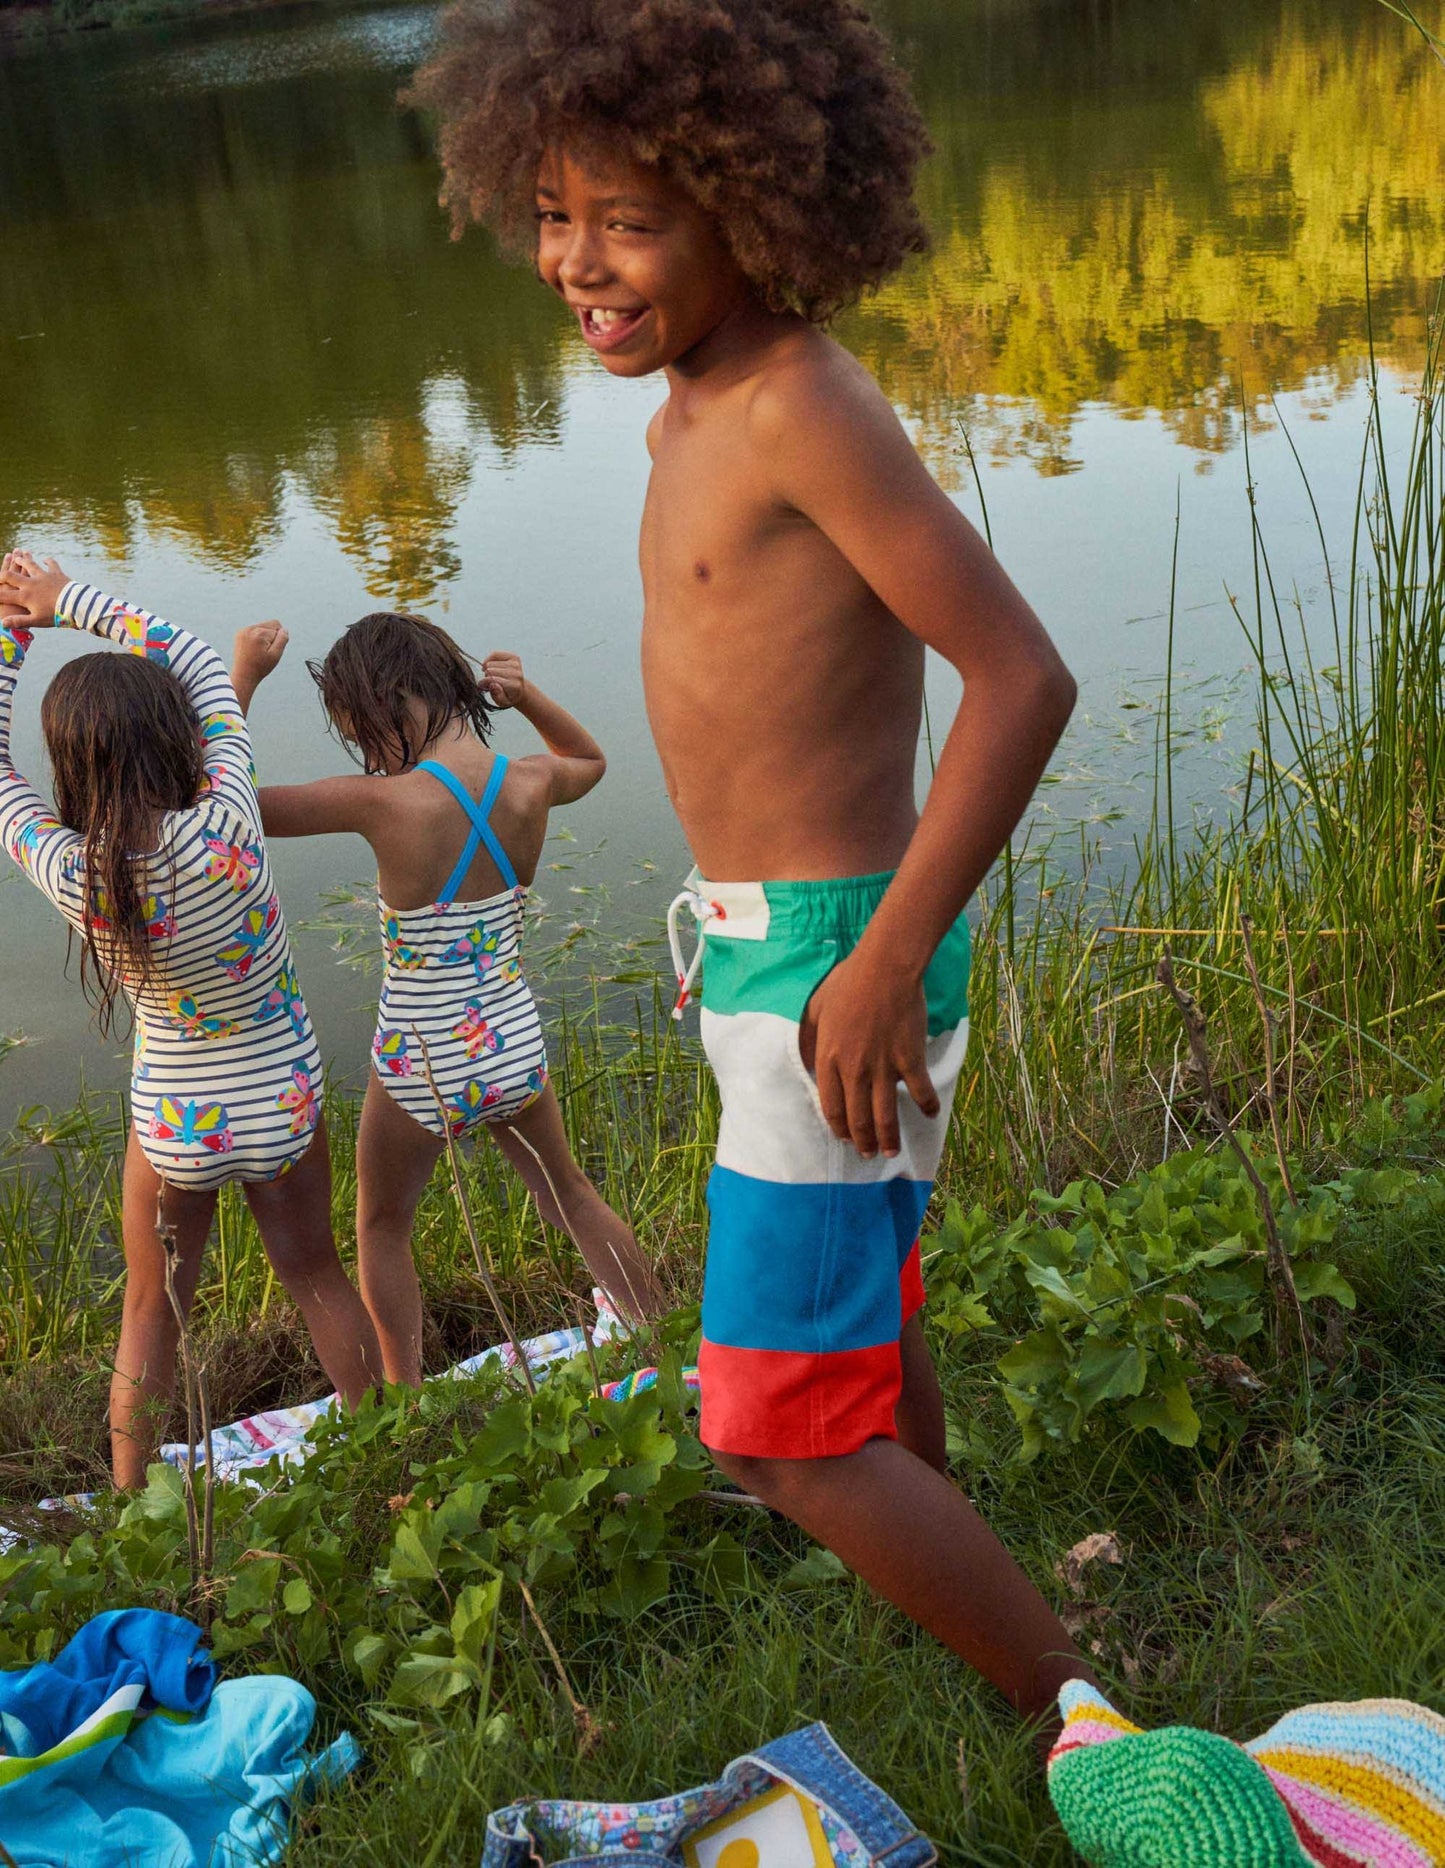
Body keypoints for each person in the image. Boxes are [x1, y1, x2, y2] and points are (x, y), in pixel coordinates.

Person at [409, 0, 1097, 1738]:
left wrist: (877, 963)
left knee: (775, 1427)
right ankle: (1008, 1645)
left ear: (758, 201)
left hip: (832, 960)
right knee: (861, 1319)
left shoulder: (799, 402)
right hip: (766, 953)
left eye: (632, 218)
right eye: (555, 211)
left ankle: (1078, 1707)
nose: (581, 260)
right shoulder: (688, 408)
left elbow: (1021, 677)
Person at [0, 550, 382, 1488]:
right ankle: (389, 1453)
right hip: (282, 1100)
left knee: (151, 1309)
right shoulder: (229, 818)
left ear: (70, 764)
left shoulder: (72, 869)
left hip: (177, 1120)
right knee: (318, 1277)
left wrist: (10, 639)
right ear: (181, 739)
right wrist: (62, 602)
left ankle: (130, 1502)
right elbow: (204, 664)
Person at [252, 610, 664, 1384]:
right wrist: (528, 696)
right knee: (570, 1194)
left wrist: (236, 683)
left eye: (359, 725)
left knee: (381, 1226)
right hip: (511, 1038)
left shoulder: (383, 802)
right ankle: (661, 1341)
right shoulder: (531, 782)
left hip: (425, 1058)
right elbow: (592, 758)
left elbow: (231, 809)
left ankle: (409, 1403)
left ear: (390, 699)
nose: (363, 749)